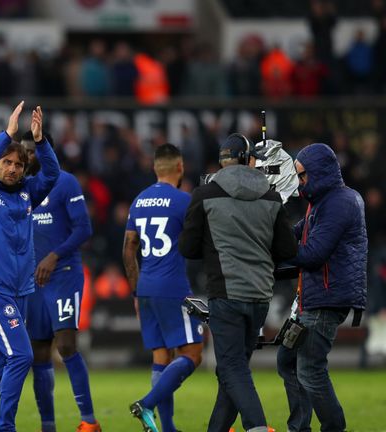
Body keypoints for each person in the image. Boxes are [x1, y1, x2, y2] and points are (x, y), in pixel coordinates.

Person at [179, 133, 297, 432]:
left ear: (222, 161)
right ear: (249, 160)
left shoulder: (205, 195)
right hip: (259, 296)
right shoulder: (271, 196)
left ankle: (257, 427)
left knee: (231, 369)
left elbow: (187, 248)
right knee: (234, 372)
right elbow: (287, 251)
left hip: (226, 293)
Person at [0, 102, 59, 432]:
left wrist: (40, 141)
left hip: (20, 291)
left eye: (19, 164)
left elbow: (52, 174)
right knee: (21, 356)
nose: (13, 169)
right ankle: (6, 427)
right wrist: (6, 134)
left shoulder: (26, 193)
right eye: (6, 162)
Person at [276, 143, 367, 432]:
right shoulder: (323, 203)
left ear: (318, 173)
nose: (300, 183)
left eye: (302, 176)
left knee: (310, 370)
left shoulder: (340, 202)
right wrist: (270, 215)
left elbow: (312, 255)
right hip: (315, 297)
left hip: (325, 299)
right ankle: (300, 428)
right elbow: (291, 238)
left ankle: (333, 428)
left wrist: (274, 238)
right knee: (287, 362)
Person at [21, 131, 100, 432]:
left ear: (46, 152)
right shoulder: (23, 187)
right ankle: (48, 425)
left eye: (32, 152)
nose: (28, 157)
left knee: (66, 346)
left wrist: (54, 256)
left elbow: (84, 229)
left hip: (63, 275)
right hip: (32, 281)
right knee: (38, 352)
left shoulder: (65, 182)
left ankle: (89, 421)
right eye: (25, 152)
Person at [122, 143, 204, 432]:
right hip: (173, 287)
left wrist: (135, 290)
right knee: (193, 354)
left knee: (161, 357)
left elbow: (128, 248)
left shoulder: (139, 201)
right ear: (180, 167)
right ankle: (147, 403)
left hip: (145, 288)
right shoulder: (184, 201)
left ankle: (166, 429)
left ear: (155, 168)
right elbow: (199, 245)